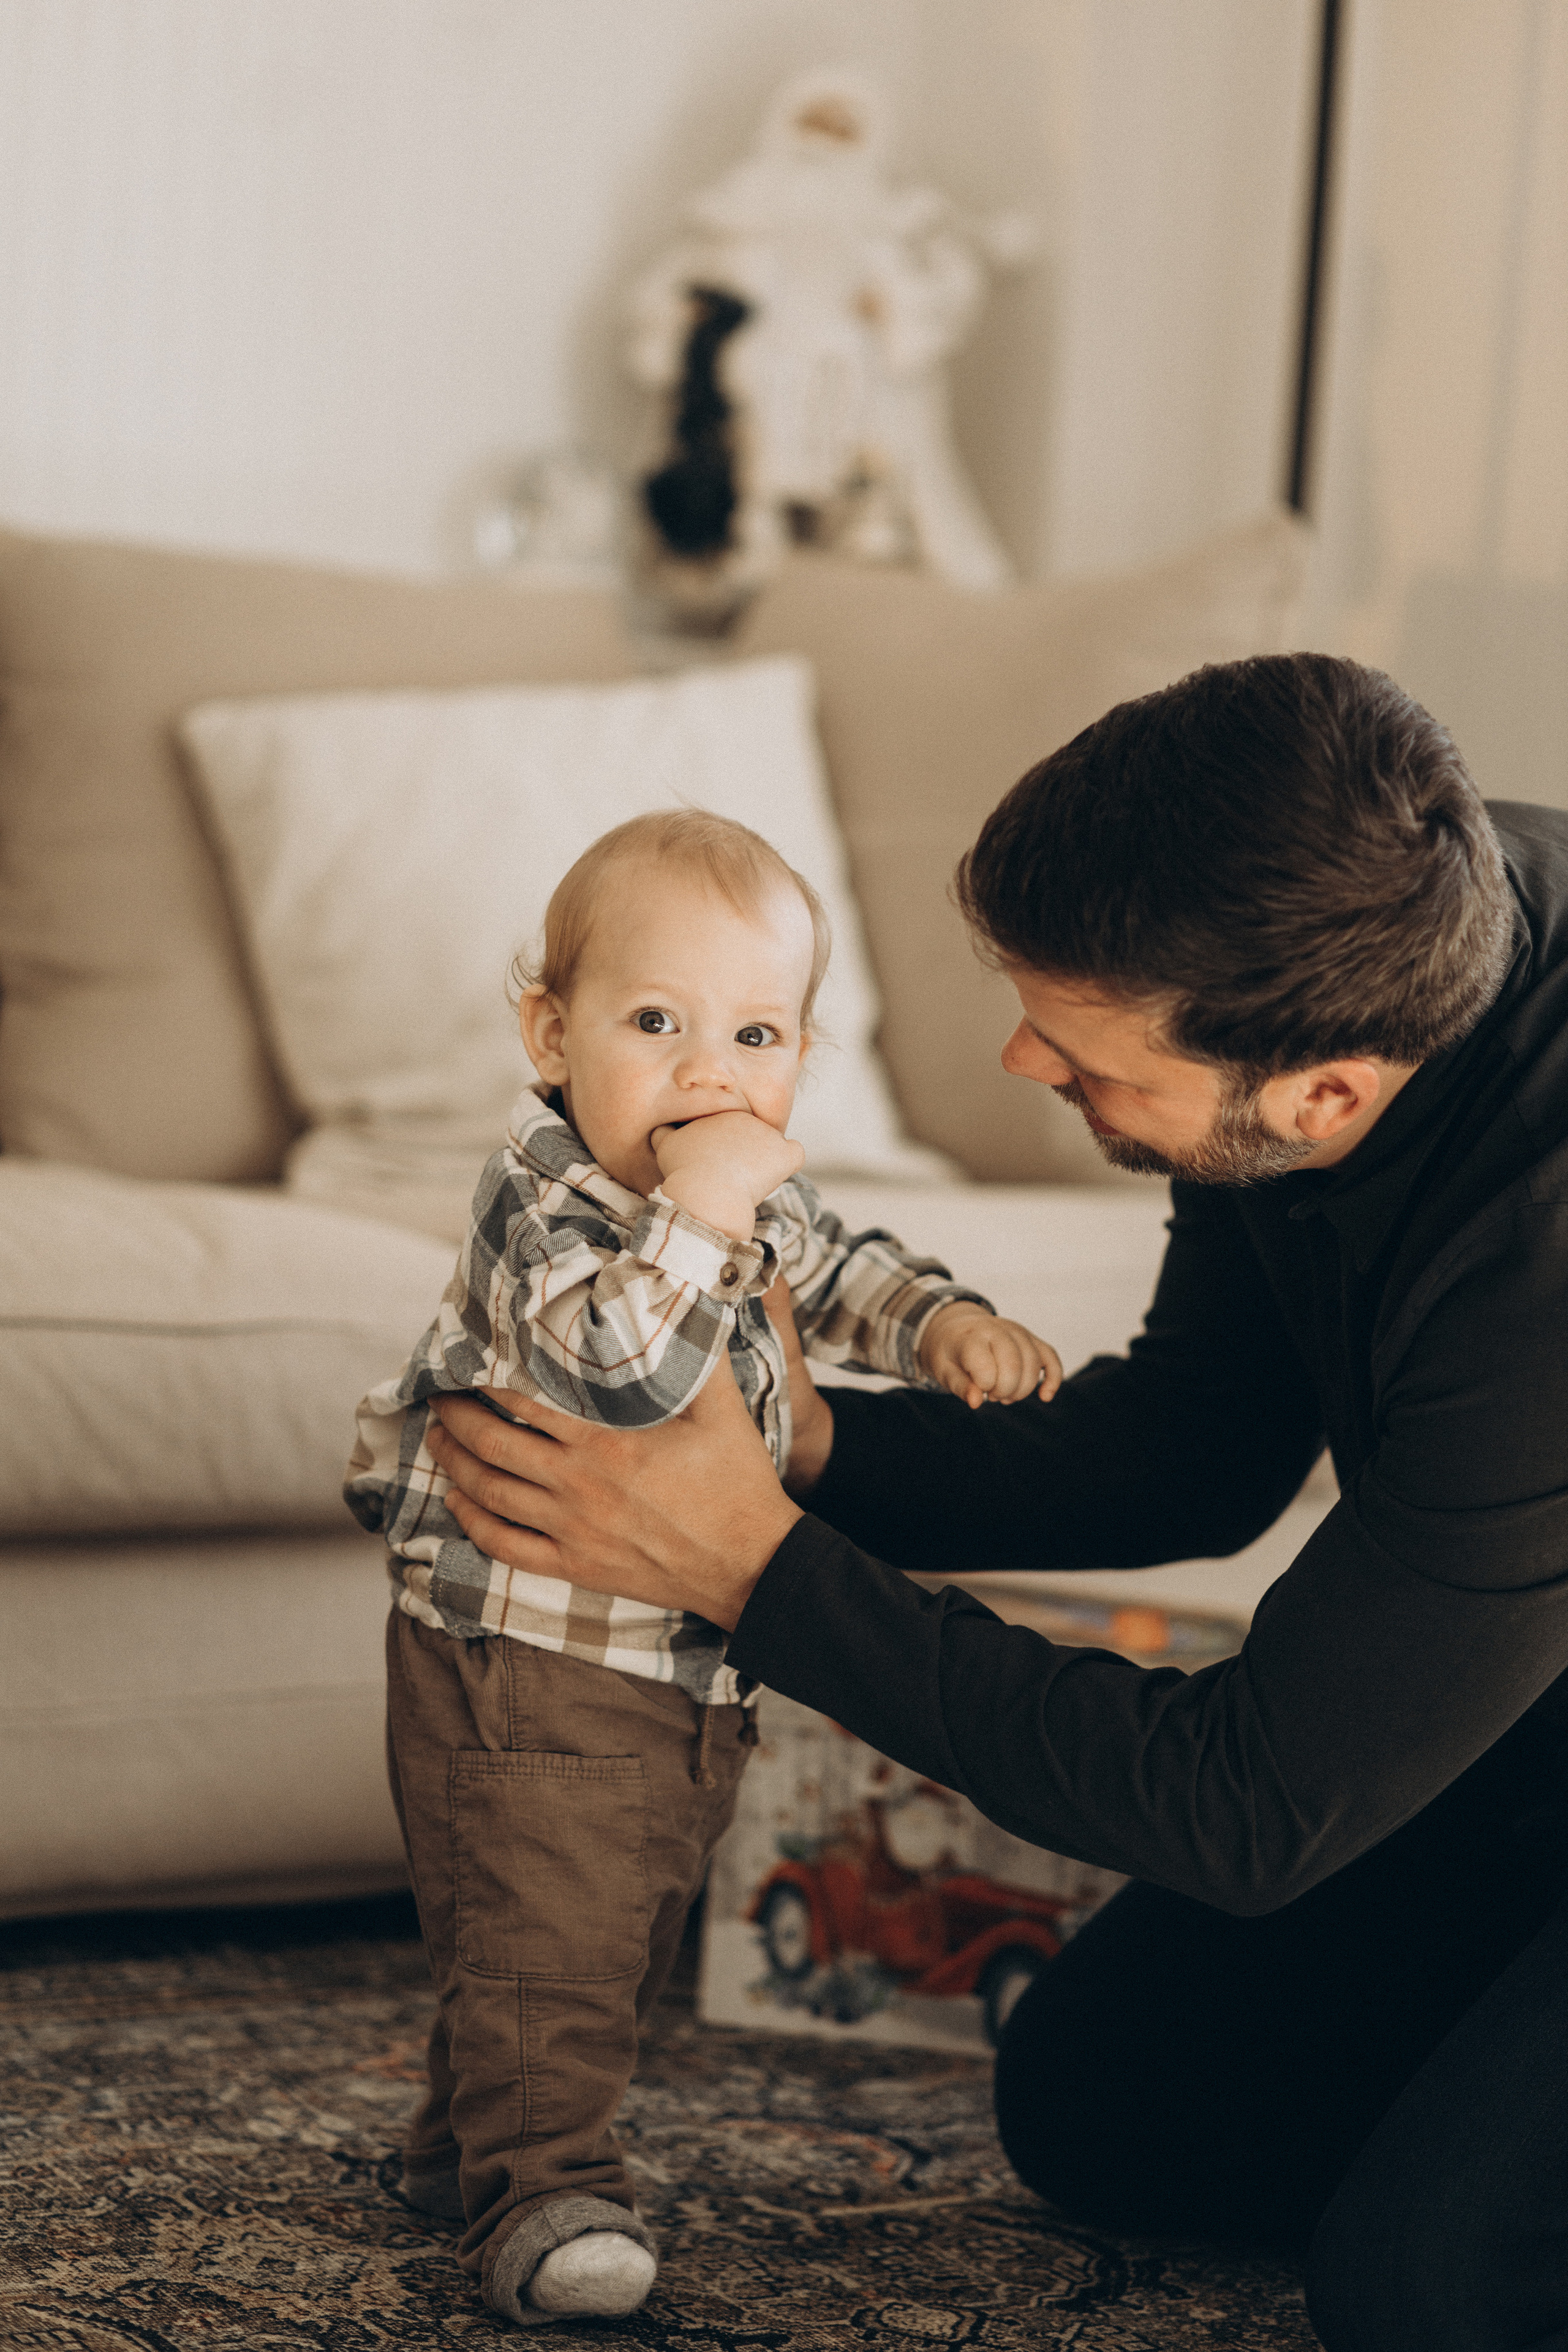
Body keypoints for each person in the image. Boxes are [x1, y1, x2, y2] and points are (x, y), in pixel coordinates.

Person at [420, 654, 1568, 2352]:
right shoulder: (1357, 944)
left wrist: (750, 1564)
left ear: (1323, 1094)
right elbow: (1197, 1446)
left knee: (1432, 2290)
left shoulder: (1537, 1258)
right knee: (1112, 2105)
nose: (1025, 1054)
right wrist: (813, 1448)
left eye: (1085, 1046)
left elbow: (1246, 1807)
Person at [346, 807, 1060, 2328]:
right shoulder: (544, 1202)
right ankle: (545, 2190)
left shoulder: (744, 1195)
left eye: (754, 1033)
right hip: (527, 1662)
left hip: (677, 1664)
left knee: (614, 1909)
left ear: (802, 1058)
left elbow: (839, 1259)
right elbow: (618, 1365)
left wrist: (934, 1326)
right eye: (653, 1022)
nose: (706, 1074)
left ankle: (451, 2146)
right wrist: (710, 1209)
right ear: (550, 1033)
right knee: (554, 1925)